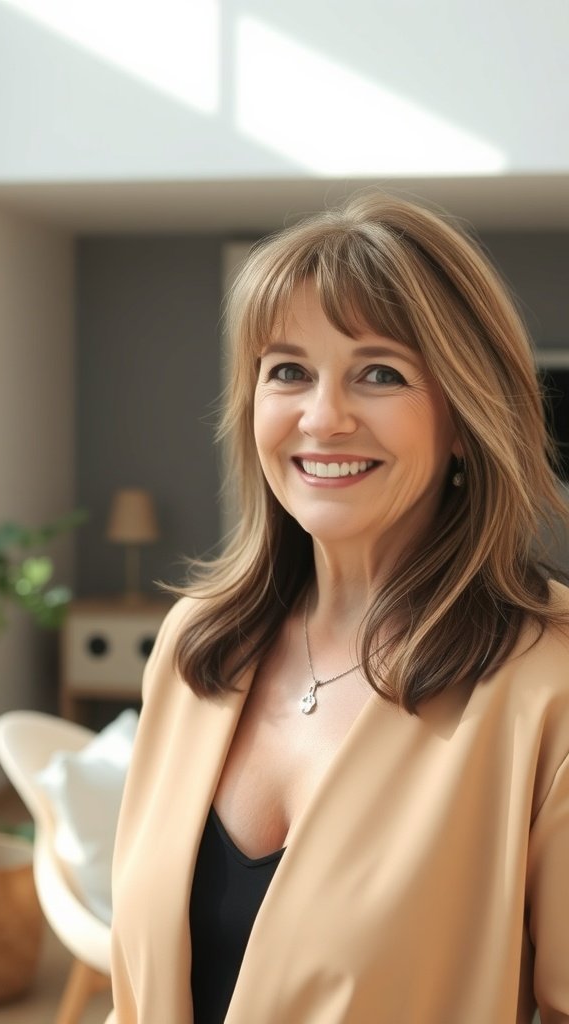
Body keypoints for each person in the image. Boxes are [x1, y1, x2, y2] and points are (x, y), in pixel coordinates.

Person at [106, 191, 569, 1023]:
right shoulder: (195, 647)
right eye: (288, 371)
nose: (324, 418)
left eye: (380, 373)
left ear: (464, 415)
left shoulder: (548, 681)